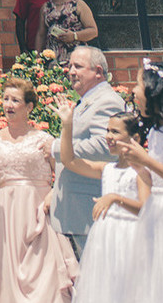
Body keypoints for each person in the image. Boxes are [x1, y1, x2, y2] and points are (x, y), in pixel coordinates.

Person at [0, 72, 77, 303]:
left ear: (29, 107)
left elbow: (64, 173)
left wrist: (52, 195)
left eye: (15, 100)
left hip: (38, 213)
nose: (8, 104)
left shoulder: (43, 139)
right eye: (5, 99)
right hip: (8, 218)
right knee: (11, 280)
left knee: (41, 278)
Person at [60, 110, 149, 303]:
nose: (108, 136)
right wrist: (67, 126)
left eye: (115, 131)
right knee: (103, 299)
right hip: (104, 241)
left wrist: (115, 198)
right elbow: (70, 161)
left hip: (129, 240)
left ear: (135, 138)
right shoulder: (107, 169)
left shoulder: (141, 171)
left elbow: (145, 208)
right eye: (107, 130)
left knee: (128, 298)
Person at [49, 45, 125, 251]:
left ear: (98, 71)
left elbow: (104, 146)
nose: (71, 71)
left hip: (88, 207)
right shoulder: (87, 101)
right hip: (76, 209)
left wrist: (55, 147)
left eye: (78, 66)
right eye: (70, 65)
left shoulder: (107, 102)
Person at [121, 55, 163, 303]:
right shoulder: (154, 131)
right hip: (155, 213)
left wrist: (145, 160)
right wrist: (140, 168)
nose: (133, 89)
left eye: (138, 83)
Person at [36, 0, 99, 70]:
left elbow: (93, 31)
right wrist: (37, 58)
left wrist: (74, 36)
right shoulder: (46, 7)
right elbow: (41, 34)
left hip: (76, 61)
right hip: (53, 62)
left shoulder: (79, 5)